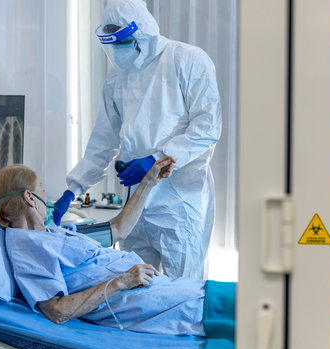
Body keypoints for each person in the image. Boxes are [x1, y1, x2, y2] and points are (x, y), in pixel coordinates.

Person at [53, 0, 222, 279]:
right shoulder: (117, 77)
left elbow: (207, 127)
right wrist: (73, 188)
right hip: (136, 209)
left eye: (123, 40)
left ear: (142, 33)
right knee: (135, 288)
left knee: (183, 293)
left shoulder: (187, 59)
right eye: (113, 43)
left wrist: (156, 160)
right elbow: (104, 140)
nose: (118, 50)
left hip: (179, 204)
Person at [0, 158, 234, 336]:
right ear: (30, 197)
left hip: (149, 287)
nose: (47, 196)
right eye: (42, 189)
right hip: (136, 298)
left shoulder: (50, 232)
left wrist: (148, 182)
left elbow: (118, 229)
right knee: (225, 308)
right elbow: (56, 310)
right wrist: (123, 281)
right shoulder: (26, 246)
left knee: (225, 297)